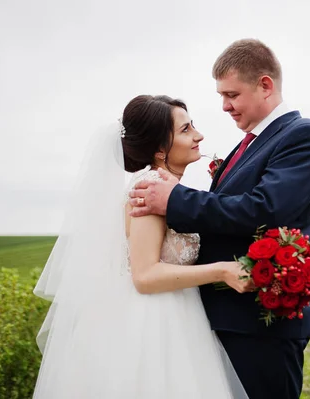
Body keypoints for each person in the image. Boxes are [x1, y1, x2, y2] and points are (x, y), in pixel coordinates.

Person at [129, 39, 310, 399]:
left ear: (265, 85)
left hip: (260, 323)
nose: (224, 106)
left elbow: (266, 209)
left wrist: (175, 200)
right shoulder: (246, 144)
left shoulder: (302, 136)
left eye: (232, 94)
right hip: (217, 318)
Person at [33, 95, 250, 398]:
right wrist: (222, 271)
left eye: (193, 126)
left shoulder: (170, 190)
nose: (198, 136)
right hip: (151, 325)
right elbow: (144, 276)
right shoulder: (148, 189)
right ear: (160, 149)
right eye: (186, 130)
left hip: (181, 315)